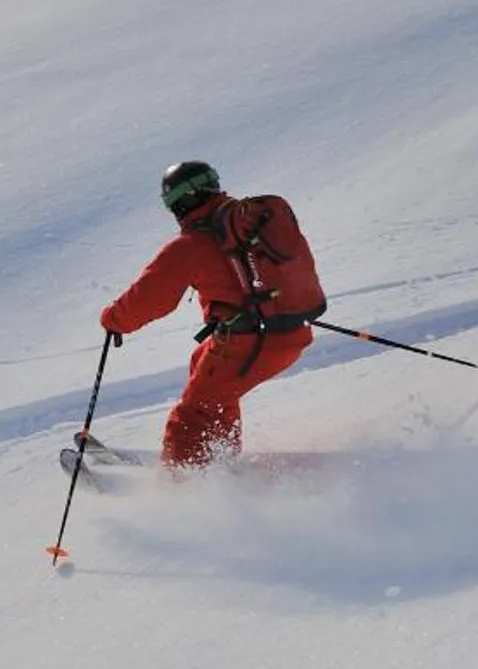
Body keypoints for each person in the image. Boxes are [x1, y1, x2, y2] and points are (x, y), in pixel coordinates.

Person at [98, 160, 327, 467]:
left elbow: (150, 298)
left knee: (193, 415)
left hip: (252, 342)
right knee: (206, 369)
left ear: (180, 202)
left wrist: (114, 320)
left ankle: (181, 487)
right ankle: (217, 456)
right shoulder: (245, 226)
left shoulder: (191, 245)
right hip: (290, 329)